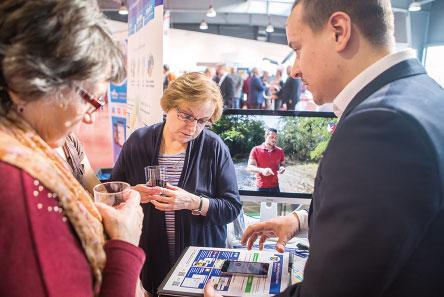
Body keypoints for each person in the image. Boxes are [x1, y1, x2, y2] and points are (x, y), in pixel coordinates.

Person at [206, 0, 444, 296]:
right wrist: (301, 220)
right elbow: (382, 222)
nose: (294, 69)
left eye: (297, 48)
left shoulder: (380, 126)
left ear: (338, 31)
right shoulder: (423, 93)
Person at [0, 1, 145, 297]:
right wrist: (126, 244)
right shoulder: (18, 185)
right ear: (38, 79)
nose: (91, 116)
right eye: (91, 99)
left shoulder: (27, 147)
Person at [112, 72, 242, 295]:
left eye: (203, 121)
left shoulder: (214, 147)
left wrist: (194, 202)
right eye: (186, 116)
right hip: (150, 264)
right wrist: (132, 194)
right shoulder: (138, 142)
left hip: (199, 271)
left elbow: (231, 208)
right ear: (168, 106)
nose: (193, 128)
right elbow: (112, 194)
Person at [247, 128, 285, 193]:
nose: (274, 139)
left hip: (275, 187)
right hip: (261, 187)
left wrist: (282, 168)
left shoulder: (280, 151)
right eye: (272, 137)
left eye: (276, 137)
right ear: (266, 136)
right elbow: (249, 167)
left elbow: (282, 164)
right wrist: (262, 170)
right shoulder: (255, 149)